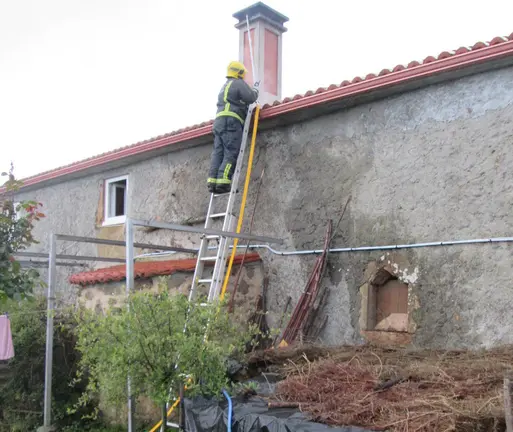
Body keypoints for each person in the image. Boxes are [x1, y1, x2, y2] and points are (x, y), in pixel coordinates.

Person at [207, 61, 259, 194]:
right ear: (239, 73)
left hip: (219, 123)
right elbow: (250, 97)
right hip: (231, 122)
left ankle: (212, 182)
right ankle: (223, 182)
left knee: (218, 153)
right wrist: (255, 90)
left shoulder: (224, 86)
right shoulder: (238, 83)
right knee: (230, 152)